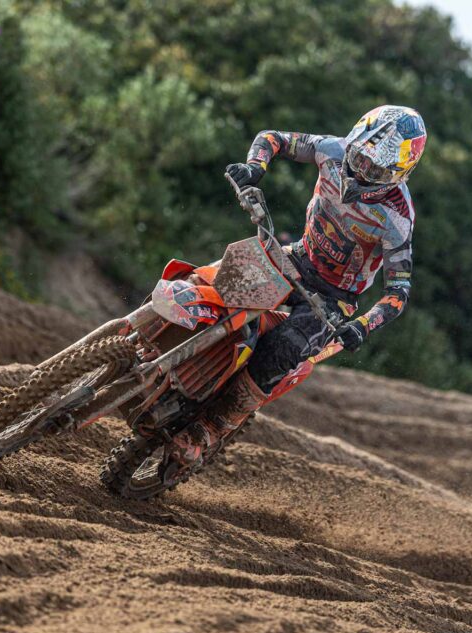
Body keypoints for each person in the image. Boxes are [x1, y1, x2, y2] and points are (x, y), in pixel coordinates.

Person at [167, 105, 427, 465]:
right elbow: (272, 138)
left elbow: (398, 291)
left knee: (284, 347)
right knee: (216, 282)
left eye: (376, 171)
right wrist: (255, 167)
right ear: (353, 142)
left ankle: (212, 425)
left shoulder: (398, 218)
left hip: (335, 299)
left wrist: (363, 327)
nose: (361, 172)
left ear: (399, 175)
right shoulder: (331, 150)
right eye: (359, 159)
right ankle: (159, 337)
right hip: (295, 257)